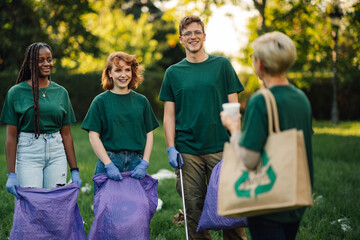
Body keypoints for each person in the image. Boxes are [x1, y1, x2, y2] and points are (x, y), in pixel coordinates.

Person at [159, 15, 247, 240]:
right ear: (181, 39)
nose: (193, 37)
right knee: (193, 209)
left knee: (231, 207)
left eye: (197, 32)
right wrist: (171, 147)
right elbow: (169, 116)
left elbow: (233, 107)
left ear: (204, 36)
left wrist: (237, 141)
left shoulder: (222, 66)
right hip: (188, 151)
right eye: (187, 33)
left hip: (221, 146)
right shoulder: (173, 73)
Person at [220, 31, 313, 240]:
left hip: (268, 199)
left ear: (259, 64)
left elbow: (250, 160)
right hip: (295, 195)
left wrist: (234, 128)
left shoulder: (261, 101)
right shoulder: (301, 98)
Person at [1, 42, 82, 199]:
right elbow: (11, 137)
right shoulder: (16, 93)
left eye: (49, 59)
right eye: (40, 60)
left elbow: (66, 135)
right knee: (32, 202)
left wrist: (75, 170)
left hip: (56, 152)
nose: (47, 64)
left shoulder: (61, 92)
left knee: (55, 202)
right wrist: (11, 174)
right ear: (30, 64)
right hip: (28, 152)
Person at [81, 52, 159, 188]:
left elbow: (149, 134)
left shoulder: (142, 101)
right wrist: (108, 164)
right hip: (109, 160)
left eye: (127, 70)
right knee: (107, 208)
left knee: (135, 208)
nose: (123, 75)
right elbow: (93, 136)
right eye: (118, 70)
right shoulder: (100, 101)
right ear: (110, 73)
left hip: (136, 163)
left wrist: (145, 163)